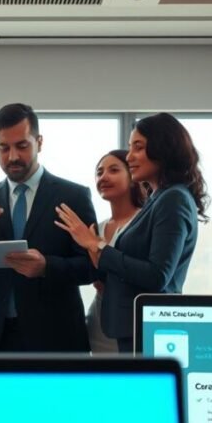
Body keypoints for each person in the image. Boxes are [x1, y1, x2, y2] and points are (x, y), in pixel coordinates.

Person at [0, 103, 98, 352]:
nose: (13, 157)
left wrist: (46, 267)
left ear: (39, 142)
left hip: (55, 338)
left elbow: (91, 268)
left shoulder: (73, 196)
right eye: (3, 148)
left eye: (22, 146)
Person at [56, 112, 209, 354]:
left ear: (163, 148)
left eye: (138, 147)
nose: (130, 156)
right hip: (131, 327)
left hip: (148, 328)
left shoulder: (173, 199)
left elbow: (158, 275)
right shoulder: (158, 198)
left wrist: (97, 246)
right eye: (129, 148)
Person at [85, 150, 146, 354]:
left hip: (131, 323)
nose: (104, 177)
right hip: (98, 319)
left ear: (132, 177)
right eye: (99, 172)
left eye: (113, 170)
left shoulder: (143, 222)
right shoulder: (95, 229)